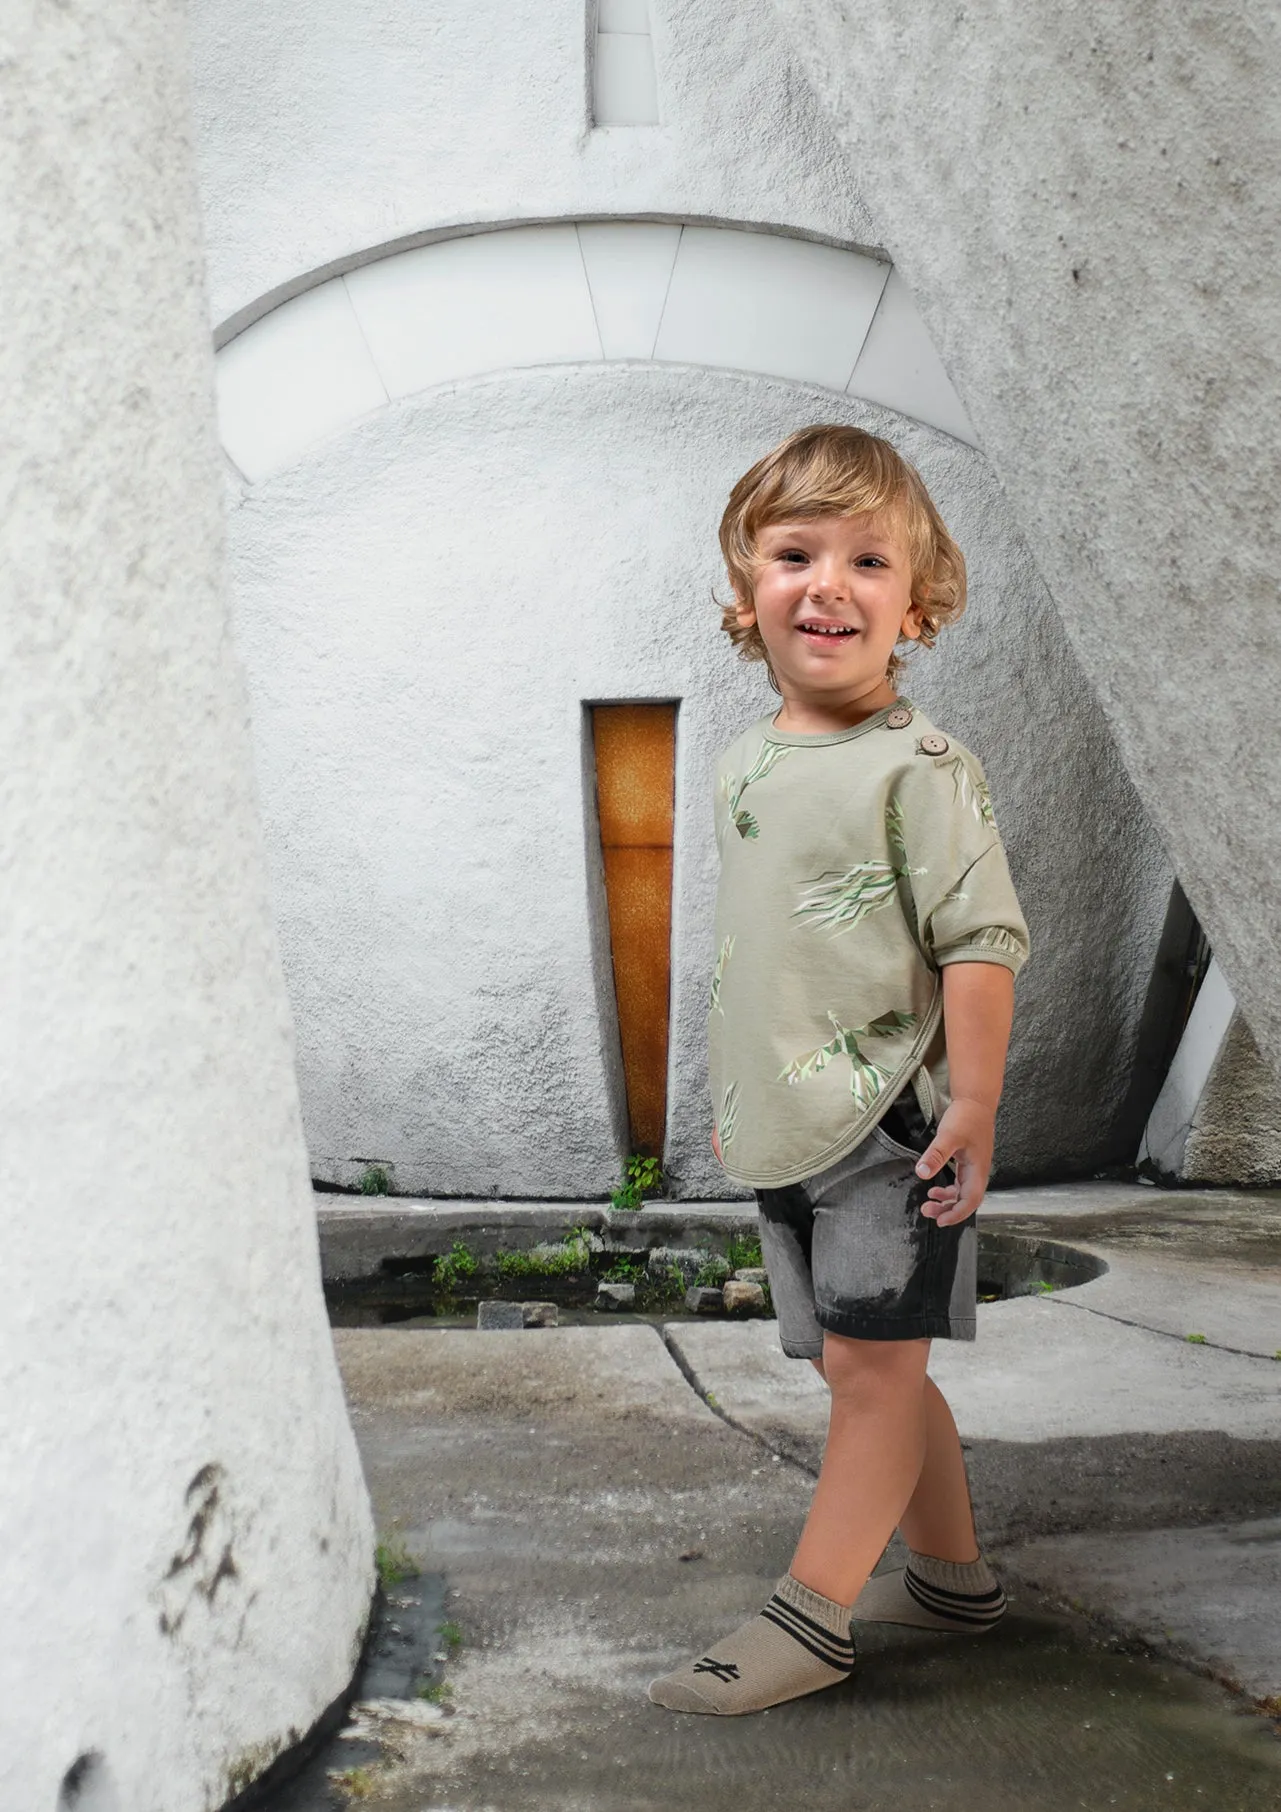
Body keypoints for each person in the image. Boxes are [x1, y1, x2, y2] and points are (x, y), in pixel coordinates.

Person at [648, 423, 1030, 1717]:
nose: (829, 582)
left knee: (875, 1368)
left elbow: (979, 946)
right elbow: (765, 952)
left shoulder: (922, 774)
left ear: (915, 606)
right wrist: (736, 1097)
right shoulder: (746, 762)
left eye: (869, 560)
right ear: (747, 592)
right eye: (795, 552)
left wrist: (973, 1102)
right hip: (783, 1121)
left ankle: (813, 1617)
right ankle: (953, 1576)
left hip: (890, 1118)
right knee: (866, 1358)